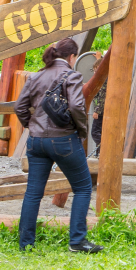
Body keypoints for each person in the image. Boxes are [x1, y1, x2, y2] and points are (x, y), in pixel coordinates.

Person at [14, 37, 101, 254]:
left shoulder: (36, 76)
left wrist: (31, 125)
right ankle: (77, 241)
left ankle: (26, 243)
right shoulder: (71, 75)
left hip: (36, 141)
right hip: (63, 139)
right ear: (72, 57)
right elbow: (76, 106)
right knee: (82, 188)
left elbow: (19, 107)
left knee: (33, 192)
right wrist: (81, 130)